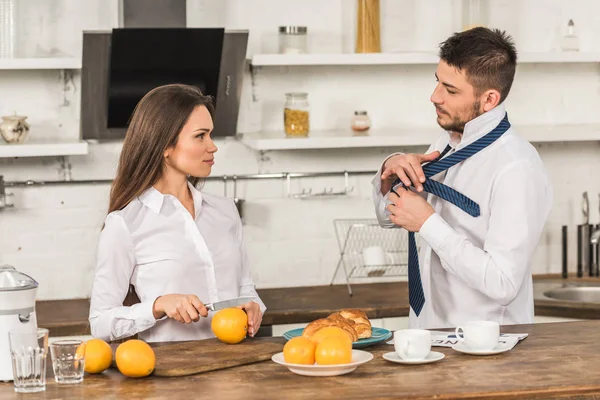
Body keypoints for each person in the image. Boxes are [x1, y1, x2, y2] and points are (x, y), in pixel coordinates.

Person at [372, 27, 552, 329]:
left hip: (488, 348)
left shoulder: (517, 168)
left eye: (451, 90)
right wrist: (391, 175)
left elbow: (503, 283)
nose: (434, 97)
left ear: (489, 99)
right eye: (437, 82)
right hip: (430, 333)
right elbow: (390, 217)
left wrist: (428, 223)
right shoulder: (445, 144)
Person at [89, 84, 265, 342]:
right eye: (200, 136)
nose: (213, 146)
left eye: (211, 135)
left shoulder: (225, 212)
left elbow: (246, 289)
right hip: (172, 375)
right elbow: (100, 323)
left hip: (234, 368)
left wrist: (253, 308)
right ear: (165, 147)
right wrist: (158, 306)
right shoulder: (125, 224)